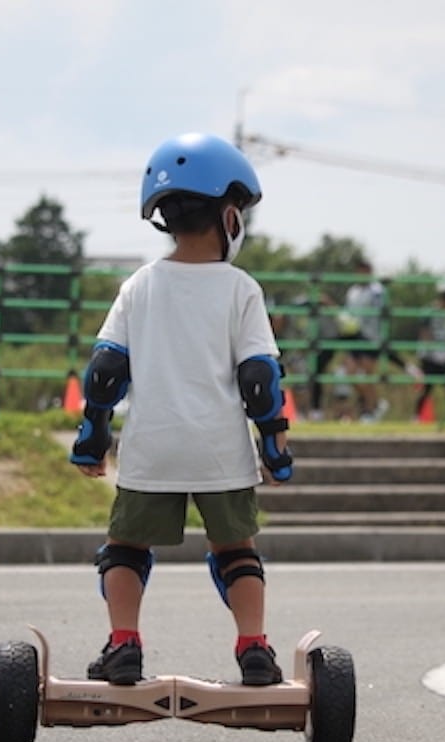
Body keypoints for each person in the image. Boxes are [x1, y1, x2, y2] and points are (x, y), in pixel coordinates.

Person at [69, 132, 292, 687]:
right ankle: (254, 649)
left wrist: (91, 440)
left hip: (153, 446)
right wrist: (275, 449)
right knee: (236, 548)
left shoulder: (139, 286)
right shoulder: (241, 290)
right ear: (229, 215)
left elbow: (104, 372)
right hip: (220, 451)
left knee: (125, 546)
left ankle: (124, 645)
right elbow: (260, 380)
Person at [338, 259, 420, 422]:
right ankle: (375, 405)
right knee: (350, 373)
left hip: (371, 337)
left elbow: (380, 312)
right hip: (354, 336)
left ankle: (370, 410)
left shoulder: (377, 291)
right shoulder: (353, 291)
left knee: (367, 376)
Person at [414, 279, 445, 420]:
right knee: (427, 388)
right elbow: (424, 333)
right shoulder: (431, 312)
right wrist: (427, 350)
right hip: (430, 356)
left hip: (443, 356)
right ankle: (416, 416)